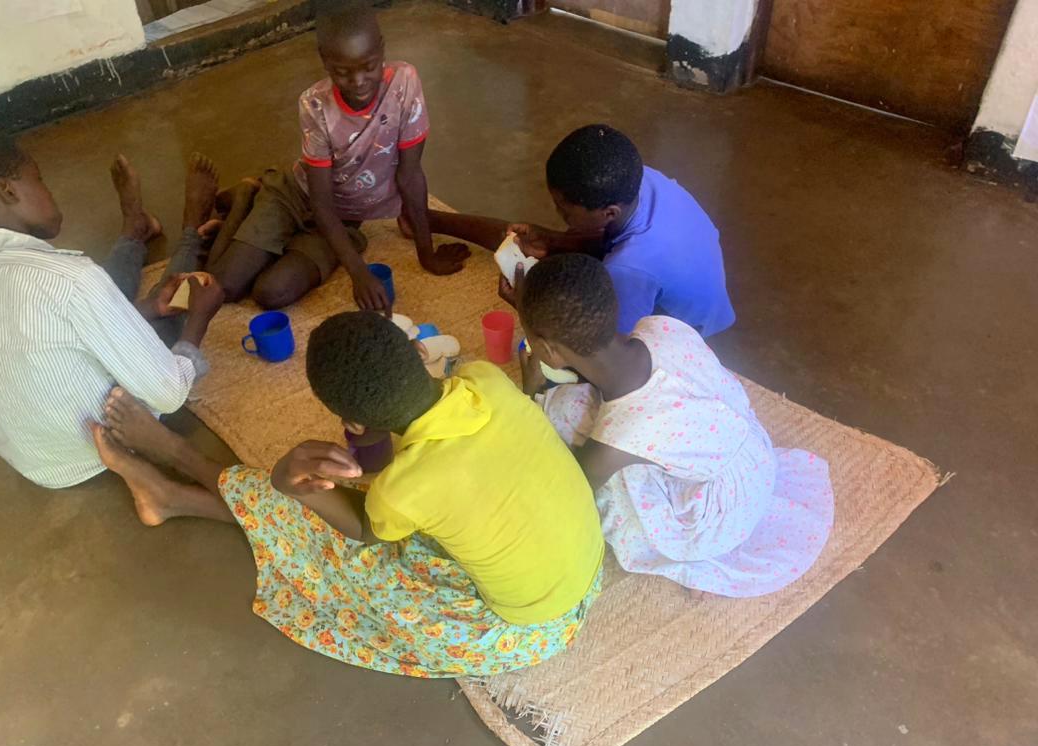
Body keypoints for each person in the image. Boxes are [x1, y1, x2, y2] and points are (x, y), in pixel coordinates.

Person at [91, 311, 605, 677]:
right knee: (363, 511)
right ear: (418, 353)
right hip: (583, 573)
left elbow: (362, 531)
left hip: (518, 632)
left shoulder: (403, 490)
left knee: (322, 533)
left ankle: (176, 459)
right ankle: (171, 497)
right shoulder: (484, 378)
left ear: (353, 424)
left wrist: (288, 481)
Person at [516, 253, 833, 597]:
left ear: (549, 351)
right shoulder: (659, 327)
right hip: (754, 457)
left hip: (718, 520)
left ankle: (694, 557)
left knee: (559, 413)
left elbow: (571, 489)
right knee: (573, 404)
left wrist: (531, 392)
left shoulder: (620, 437)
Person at [0, 131, 225, 488]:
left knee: (100, 295)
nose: (49, 192)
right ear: (8, 190)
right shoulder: (72, 279)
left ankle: (134, 231)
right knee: (163, 309)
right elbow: (169, 392)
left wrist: (145, 309)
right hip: (103, 443)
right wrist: (199, 318)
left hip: (38, 465)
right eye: (40, 179)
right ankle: (191, 231)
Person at [209, 1, 469, 313]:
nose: (358, 82)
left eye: (369, 67)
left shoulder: (404, 84)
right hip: (294, 196)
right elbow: (320, 202)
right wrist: (358, 273)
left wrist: (427, 254)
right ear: (325, 61)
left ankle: (278, 235)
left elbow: (410, 176)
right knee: (226, 287)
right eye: (343, 73)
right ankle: (246, 197)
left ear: (381, 50)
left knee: (270, 293)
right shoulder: (314, 104)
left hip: (341, 218)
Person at [427, 123, 735, 337]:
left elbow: (608, 352)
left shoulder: (629, 269)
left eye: (565, 210)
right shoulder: (638, 180)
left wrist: (527, 309)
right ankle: (430, 219)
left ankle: (431, 220)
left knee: (562, 305)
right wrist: (553, 240)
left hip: (683, 328)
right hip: (683, 283)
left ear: (609, 212)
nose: (557, 215)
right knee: (526, 244)